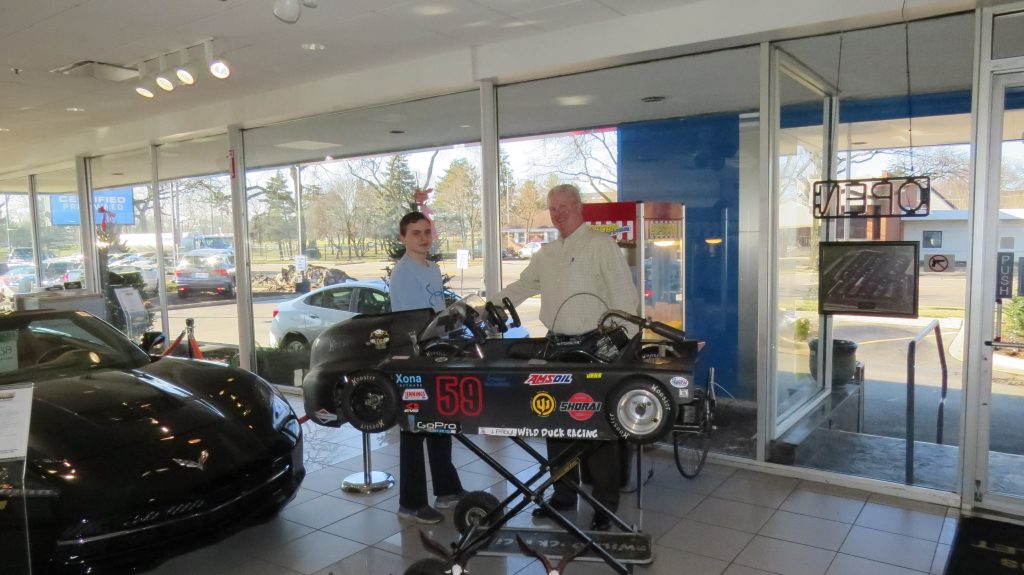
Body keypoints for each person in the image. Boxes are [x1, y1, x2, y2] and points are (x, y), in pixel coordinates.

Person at [494, 183, 639, 531]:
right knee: (555, 423)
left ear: (580, 207)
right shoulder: (546, 253)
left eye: (564, 206)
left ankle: (605, 505)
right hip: (557, 348)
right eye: (553, 208)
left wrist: (617, 345)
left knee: (597, 427)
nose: (558, 213)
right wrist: (488, 306)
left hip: (595, 349)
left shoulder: (601, 245)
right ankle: (563, 495)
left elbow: (626, 300)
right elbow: (521, 287)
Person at [390, 211, 466, 524]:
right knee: (413, 428)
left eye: (426, 232)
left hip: (435, 352)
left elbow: (437, 311)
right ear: (402, 238)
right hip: (414, 356)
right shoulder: (403, 273)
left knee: (439, 421)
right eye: (415, 233)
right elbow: (414, 321)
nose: (423, 238)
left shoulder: (432, 268)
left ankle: (447, 490)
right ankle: (411, 503)